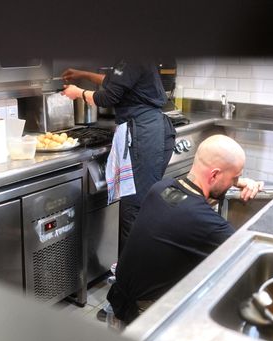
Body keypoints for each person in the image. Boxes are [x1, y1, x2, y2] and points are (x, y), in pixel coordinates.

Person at [106, 134, 264, 326]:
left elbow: (197, 200)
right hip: (146, 319)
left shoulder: (161, 188)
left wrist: (236, 180)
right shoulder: (204, 223)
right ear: (214, 175)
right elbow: (248, 255)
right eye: (234, 178)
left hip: (119, 306)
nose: (235, 183)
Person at [61, 59, 176, 254]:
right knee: (139, 205)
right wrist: (84, 74)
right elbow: (117, 82)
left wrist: (78, 93)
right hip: (152, 127)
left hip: (143, 133)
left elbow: (108, 97)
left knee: (133, 208)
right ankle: (134, 273)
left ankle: (129, 278)